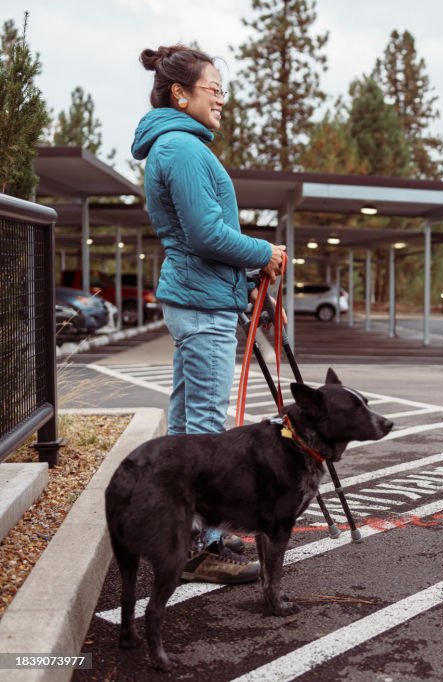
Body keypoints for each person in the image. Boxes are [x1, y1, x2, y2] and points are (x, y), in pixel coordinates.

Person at [131, 45, 287, 584]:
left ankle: (180, 531)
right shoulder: (184, 149)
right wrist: (263, 253)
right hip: (201, 304)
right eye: (214, 89)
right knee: (204, 431)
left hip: (196, 298)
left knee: (185, 426)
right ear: (181, 93)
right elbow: (205, 235)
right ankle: (204, 545)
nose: (222, 99)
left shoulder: (173, 146)